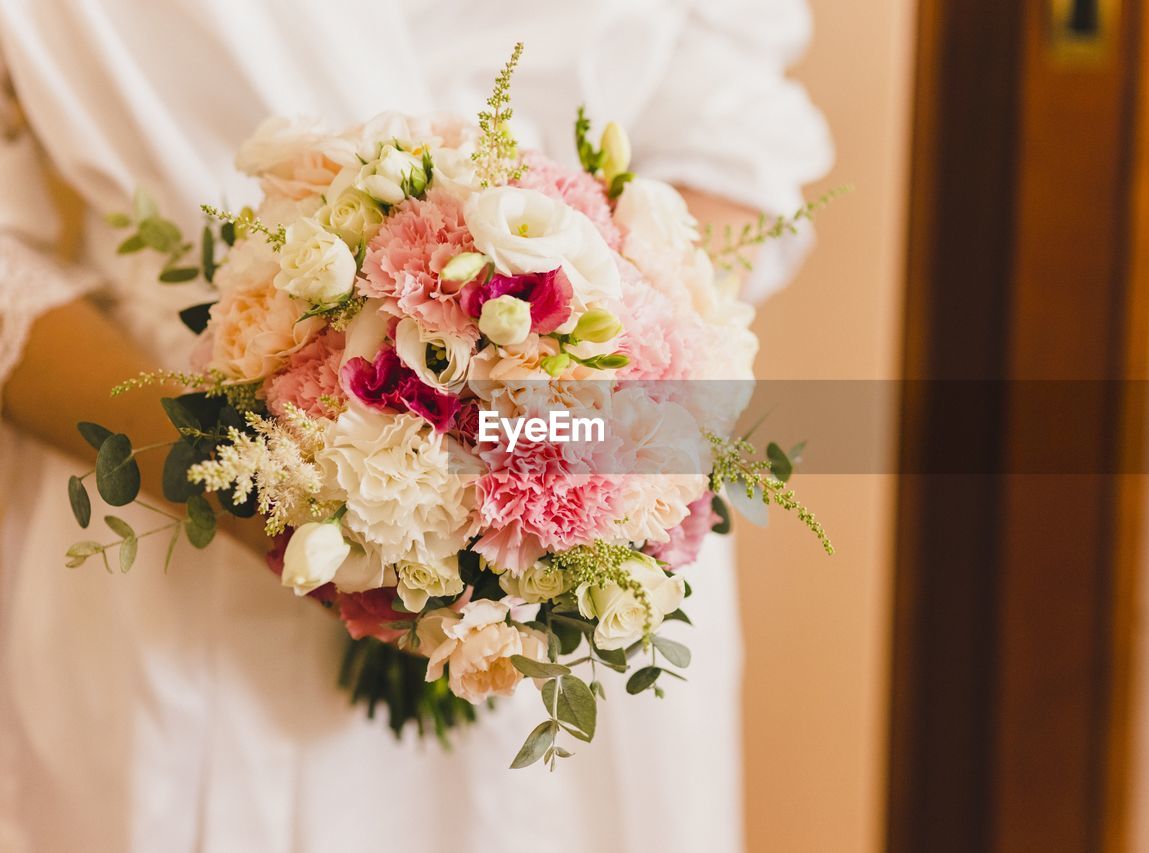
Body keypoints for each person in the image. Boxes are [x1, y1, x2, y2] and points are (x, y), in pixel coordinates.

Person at [0, 2, 831, 851]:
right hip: (188, 518)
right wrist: (263, 479)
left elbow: (732, 114)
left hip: (588, 517)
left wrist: (605, 366)